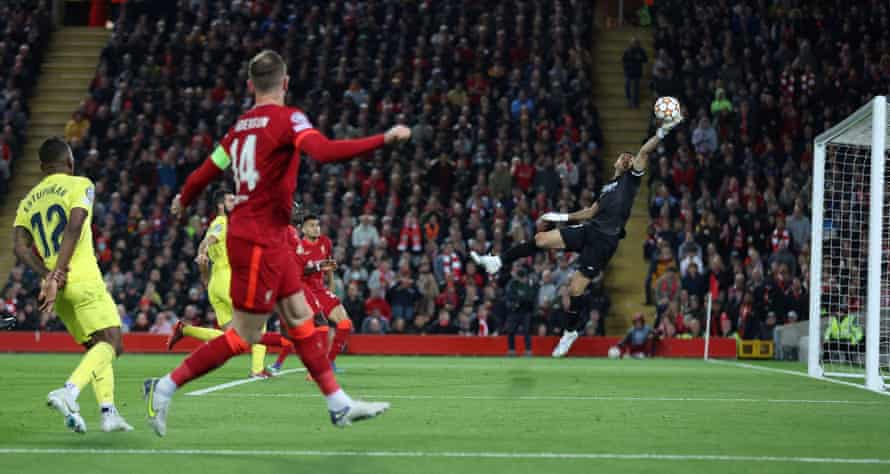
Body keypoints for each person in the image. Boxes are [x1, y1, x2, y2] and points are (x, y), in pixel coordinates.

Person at [143, 50, 411, 436]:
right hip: (256, 240)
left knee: (300, 317)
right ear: (285, 83)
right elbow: (324, 152)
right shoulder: (289, 119)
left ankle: (338, 404)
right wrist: (383, 139)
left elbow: (205, 171)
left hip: (270, 238)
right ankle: (164, 387)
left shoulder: (237, 130)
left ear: (251, 86)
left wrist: (182, 201)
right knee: (243, 336)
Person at [473, 112, 683, 357]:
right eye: (624, 156)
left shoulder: (631, 181)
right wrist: (560, 217)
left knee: (574, 290)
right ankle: (497, 261)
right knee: (541, 239)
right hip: (590, 230)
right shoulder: (609, 187)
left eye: (628, 157)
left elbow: (645, 152)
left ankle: (570, 331)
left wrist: (662, 131)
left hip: (604, 241)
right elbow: (590, 211)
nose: (626, 158)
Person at [13, 137, 132, 433]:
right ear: (70, 162)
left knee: (95, 347)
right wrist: (59, 272)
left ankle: (108, 411)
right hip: (79, 277)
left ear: (42, 167)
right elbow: (75, 225)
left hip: (59, 291)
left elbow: (20, 247)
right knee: (113, 343)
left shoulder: (27, 201)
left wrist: (47, 275)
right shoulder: (80, 184)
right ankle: (69, 391)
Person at [166, 190, 293, 379]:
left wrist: (206, 278)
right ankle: (257, 369)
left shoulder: (216, 225)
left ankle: (186, 329)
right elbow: (207, 242)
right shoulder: (222, 223)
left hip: (216, 282)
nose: (235, 202)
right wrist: (202, 251)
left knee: (231, 338)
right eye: (230, 200)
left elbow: (206, 256)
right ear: (220, 206)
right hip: (229, 280)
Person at [289, 213, 354, 375]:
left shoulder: (325, 242)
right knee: (319, 327)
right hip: (304, 290)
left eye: (317, 225)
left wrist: (330, 288)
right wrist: (318, 267)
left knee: (345, 324)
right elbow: (297, 273)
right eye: (312, 225)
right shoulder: (297, 246)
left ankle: (329, 362)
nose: (316, 228)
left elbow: (329, 265)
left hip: (320, 289)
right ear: (303, 229)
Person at [504, 265, 538, 356]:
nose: (521, 279)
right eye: (520, 277)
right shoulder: (512, 283)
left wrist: (519, 299)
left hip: (526, 311)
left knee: (527, 331)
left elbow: (530, 297)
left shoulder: (529, 284)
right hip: (514, 310)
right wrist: (520, 299)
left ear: (525, 276)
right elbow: (509, 295)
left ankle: (528, 350)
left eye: (523, 277)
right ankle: (511, 350)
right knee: (511, 330)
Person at [622, 38, 647, 108]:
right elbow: (623, 60)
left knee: (636, 88)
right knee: (627, 87)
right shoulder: (627, 51)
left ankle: (636, 103)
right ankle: (629, 101)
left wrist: (640, 58)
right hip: (629, 72)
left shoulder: (641, 51)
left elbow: (645, 59)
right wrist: (625, 68)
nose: (634, 44)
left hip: (637, 72)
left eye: (636, 43)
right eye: (633, 43)